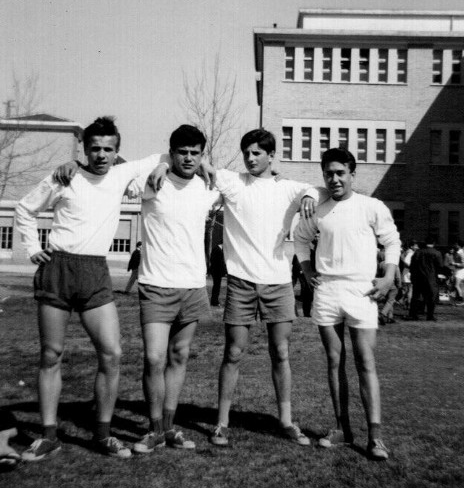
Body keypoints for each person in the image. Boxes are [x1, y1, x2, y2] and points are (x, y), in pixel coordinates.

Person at [15, 116, 164, 461]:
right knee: (51, 355)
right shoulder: (64, 176)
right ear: (84, 149)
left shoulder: (121, 174)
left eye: (108, 149)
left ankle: (102, 434)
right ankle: (49, 435)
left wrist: (158, 170)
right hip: (59, 268)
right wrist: (33, 247)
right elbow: (24, 209)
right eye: (94, 148)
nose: (101, 155)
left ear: (117, 152)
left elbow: (163, 155)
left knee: (112, 354)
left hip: (95, 272)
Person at [208, 129, 321, 447]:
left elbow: (311, 189)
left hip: (278, 283)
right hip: (241, 282)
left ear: (272, 155)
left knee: (281, 353)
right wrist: (163, 164)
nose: (250, 157)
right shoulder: (233, 182)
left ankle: (285, 421)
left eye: (257, 152)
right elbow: (203, 169)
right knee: (233, 352)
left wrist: (309, 196)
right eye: (246, 152)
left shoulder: (289, 188)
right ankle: (222, 423)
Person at [294, 147, 401, 461]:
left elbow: (392, 240)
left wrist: (388, 275)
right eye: (329, 173)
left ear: (353, 174)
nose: (335, 179)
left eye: (340, 173)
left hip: (361, 292)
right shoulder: (319, 209)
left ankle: (375, 437)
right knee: (334, 361)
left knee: (365, 361)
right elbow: (300, 239)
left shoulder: (371, 206)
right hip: (327, 291)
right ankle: (342, 429)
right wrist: (307, 268)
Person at [132, 125, 220, 453]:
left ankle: (169, 428)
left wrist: (209, 168)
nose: (188, 158)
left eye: (195, 153)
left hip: (193, 286)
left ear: (202, 155)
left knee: (179, 355)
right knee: (154, 358)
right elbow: (126, 167)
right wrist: (160, 164)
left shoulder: (209, 188)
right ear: (171, 153)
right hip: (156, 285)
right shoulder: (151, 182)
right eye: (181, 152)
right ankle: (153, 429)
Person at [409, 237, 443, 321]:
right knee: (431, 297)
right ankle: (430, 315)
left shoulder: (418, 252)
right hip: (431, 278)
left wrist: (413, 275)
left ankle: (413, 314)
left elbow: (412, 265)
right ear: (434, 243)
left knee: (416, 296)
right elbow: (440, 266)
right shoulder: (437, 253)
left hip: (418, 277)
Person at [377, 249, 402, 325]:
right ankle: (383, 314)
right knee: (390, 301)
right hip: (392, 285)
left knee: (388, 301)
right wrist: (399, 286)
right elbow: (398, 277)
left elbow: (378, 274)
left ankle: (390, 317)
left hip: (384, 285)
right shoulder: (394, 265)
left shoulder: (381, 264)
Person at [399, 240, 419, 309]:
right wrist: (413, 266)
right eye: (416, 246)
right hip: (409, 272)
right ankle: (408, 304)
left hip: (406, 272)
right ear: (411, 246)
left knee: (407, 289)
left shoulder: (407, 252)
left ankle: (404, 302)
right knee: (410, 289)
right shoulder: (410, 252)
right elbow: (407, 262)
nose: (417, 247)